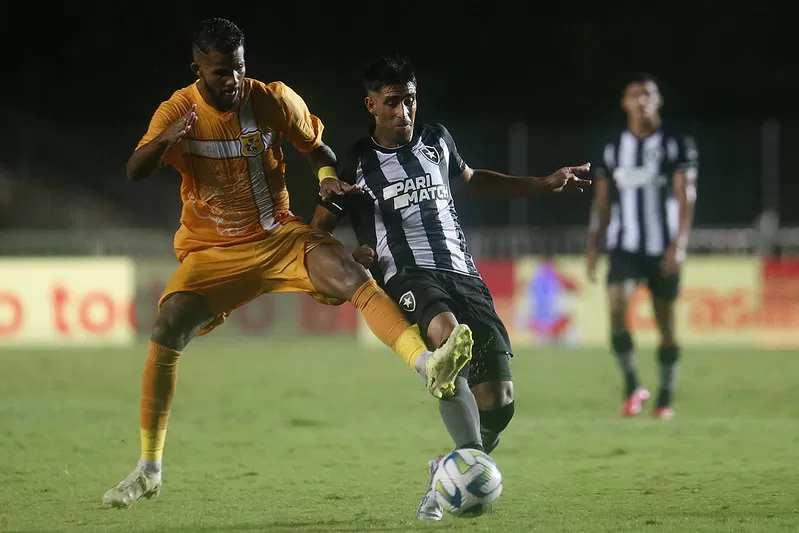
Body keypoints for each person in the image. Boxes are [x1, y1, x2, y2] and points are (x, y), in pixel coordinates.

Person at [102, 20, 473, 509]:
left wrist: (325, 177)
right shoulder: (178, 111)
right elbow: (136, 169)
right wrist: (167, 138)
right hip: (214, 251)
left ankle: (427, 366)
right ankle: (149, 469)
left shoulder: (272, 99)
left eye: (238, 68)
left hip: (279, 236)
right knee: (167, 327)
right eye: (219, 72)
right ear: (198, 69)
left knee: (352, 275)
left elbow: (319, 149)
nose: (232, 80)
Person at [311, 55, 590, 520]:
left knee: (499, 402)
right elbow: (318, 230)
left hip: (464, 274)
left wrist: (544, 183)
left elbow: (475, 180)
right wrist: (353, 255)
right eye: (392, 102)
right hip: (407, 274)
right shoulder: (356, 160)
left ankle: (447, 473)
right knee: (447, 337)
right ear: (371, 105)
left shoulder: (437, 140)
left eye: (410, 100)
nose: (404, 111)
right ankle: (458, 478)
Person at [585, 72, 699, 420]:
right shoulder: (613, 146)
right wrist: (593, 245)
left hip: (663, 246)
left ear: (658, 100)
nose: (642, 101)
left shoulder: (676, 144)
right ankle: (633, 386)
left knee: (666, 325)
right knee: (616, 308)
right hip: (625, 245)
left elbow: (686, 196)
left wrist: (679, 245)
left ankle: (665, 397)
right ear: (625, 103)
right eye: (635, 95)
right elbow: (601, 202)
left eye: (648, 94)